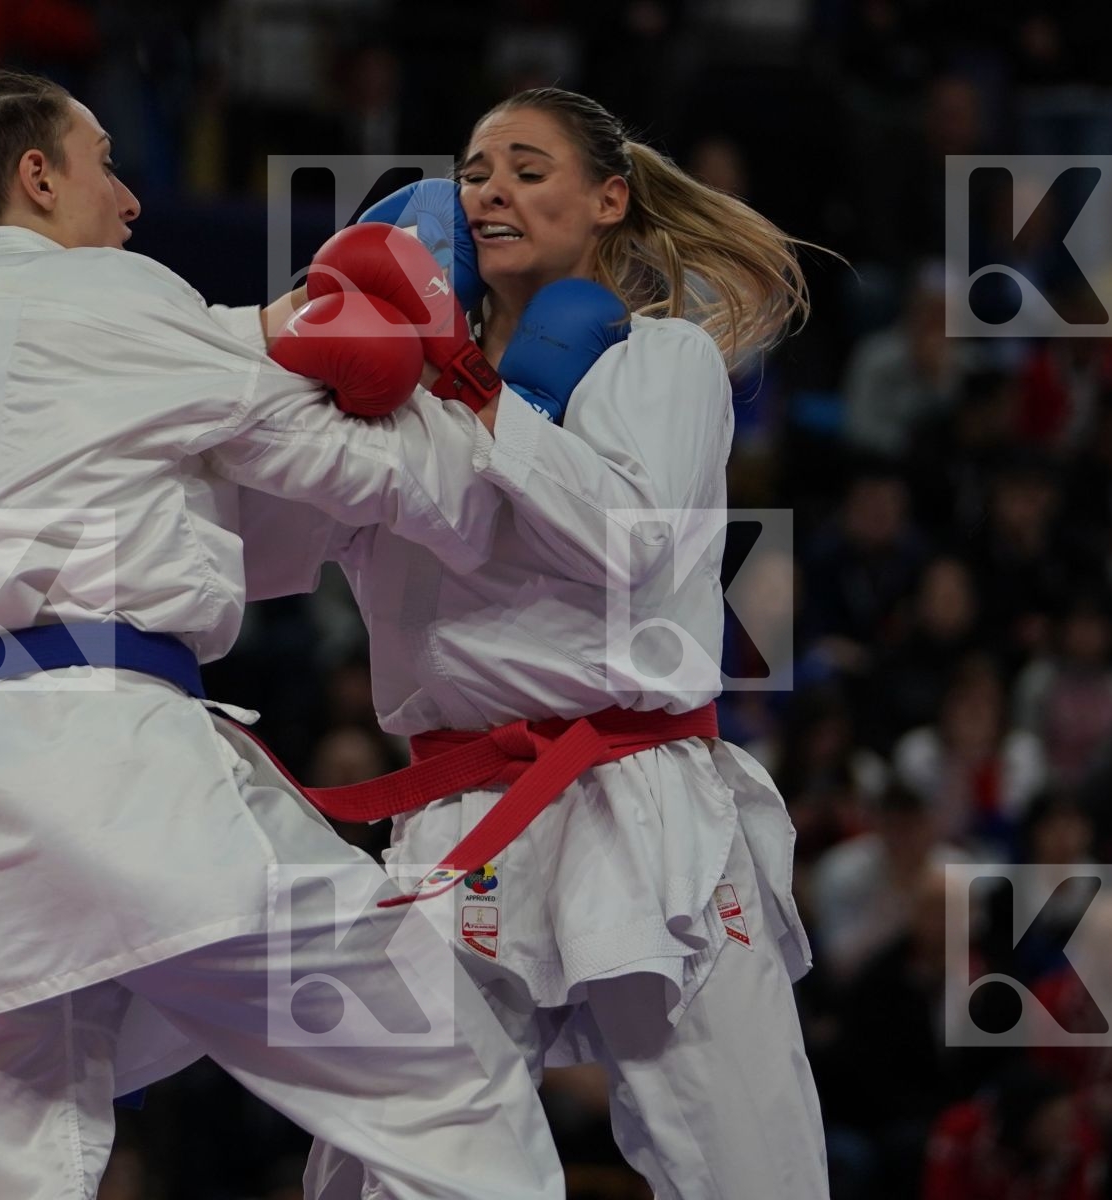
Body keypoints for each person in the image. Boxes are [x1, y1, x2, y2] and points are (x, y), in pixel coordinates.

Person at [0, 39, 563, 1200]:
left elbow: (166, 442)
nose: (136, 195)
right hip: (109, 768)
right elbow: (324, 441)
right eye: (107, 163)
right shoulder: (107, 290)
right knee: (437, 1073)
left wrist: (291, 326)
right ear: (40, 180)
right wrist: (480, 415)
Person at [236, 88, 829, 1197]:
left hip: (644, 798)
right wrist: (309, 341)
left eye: (527, 167)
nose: (492, 189)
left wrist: (478, 390)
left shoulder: (661, 362)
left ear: (610, 199)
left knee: (748, 1159)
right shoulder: (398, 396)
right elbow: (265, 557)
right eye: (473, 172)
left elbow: (622, 539)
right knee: (396, 1154)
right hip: (464, 811)